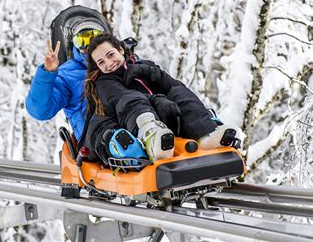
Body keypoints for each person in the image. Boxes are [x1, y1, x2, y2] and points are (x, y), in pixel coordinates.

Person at [84, 34, 237, 163]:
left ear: (120, 50)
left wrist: (152, 73)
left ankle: (206, 134)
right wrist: (157, 100)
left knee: (178, 92)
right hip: (133, 126)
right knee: (131, 99)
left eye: (110, 55)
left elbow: (173, 86)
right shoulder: (104, 82)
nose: (109, 64)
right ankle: (151, 138)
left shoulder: (143, 65)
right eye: (101, 62)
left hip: (167, 117)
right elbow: (121, 100)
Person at [25, 6, 118, 145]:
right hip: (98, 146)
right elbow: (40, 111)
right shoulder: (67, 75)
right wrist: (47, 73)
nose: (89, 46)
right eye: (83, 41)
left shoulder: (119, 63)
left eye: (95, 38)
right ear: (75, 44)